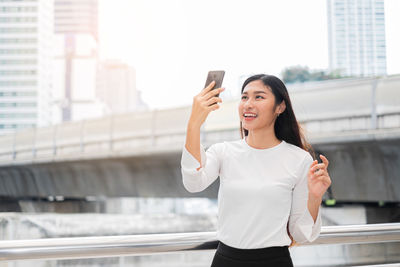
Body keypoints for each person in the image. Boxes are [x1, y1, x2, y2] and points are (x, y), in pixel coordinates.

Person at [180, 74, 332, 267]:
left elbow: (300, 233)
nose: (248, 104)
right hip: (226, 261)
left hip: (274, 262)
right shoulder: (223, 152)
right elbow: (193, 183)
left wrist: (315, 197)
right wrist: (194, 124)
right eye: (244, 97)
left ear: (280, 107)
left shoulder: (299, 159)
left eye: (259, 97)